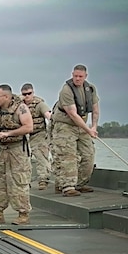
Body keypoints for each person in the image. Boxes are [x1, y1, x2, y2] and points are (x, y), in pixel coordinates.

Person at [0, 84, 34, 225]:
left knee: (19, 181)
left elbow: (29, 127)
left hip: (17, 149)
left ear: (6, 97)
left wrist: (8, 133)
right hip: (2, 149)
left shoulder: (21, 108)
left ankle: (23, 214)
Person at [51, 64, 99, 197]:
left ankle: (80, 183)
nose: (77, 79)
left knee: (88, 154)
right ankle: (66, 186)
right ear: (72, 75)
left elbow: (95, 110)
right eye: (75, 76)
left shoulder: (91, 89)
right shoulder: (66, 90)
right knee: (68, 156)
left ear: (85, 76)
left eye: (80, 76)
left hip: (82, 125)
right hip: (65, 125)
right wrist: (88, 130)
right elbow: (72, 114)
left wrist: (94, 126)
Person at [21, 83, 52, 190]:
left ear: (33, 93)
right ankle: (24, 181)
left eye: (29, 93)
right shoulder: (19, 105)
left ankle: (43, 180)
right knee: (23, 158)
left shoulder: (39, 104)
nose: (27, 96)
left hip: (39, 133)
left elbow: (48, 115)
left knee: (41, 157)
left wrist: (52, 121)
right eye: (24, 94)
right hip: (24, 135)